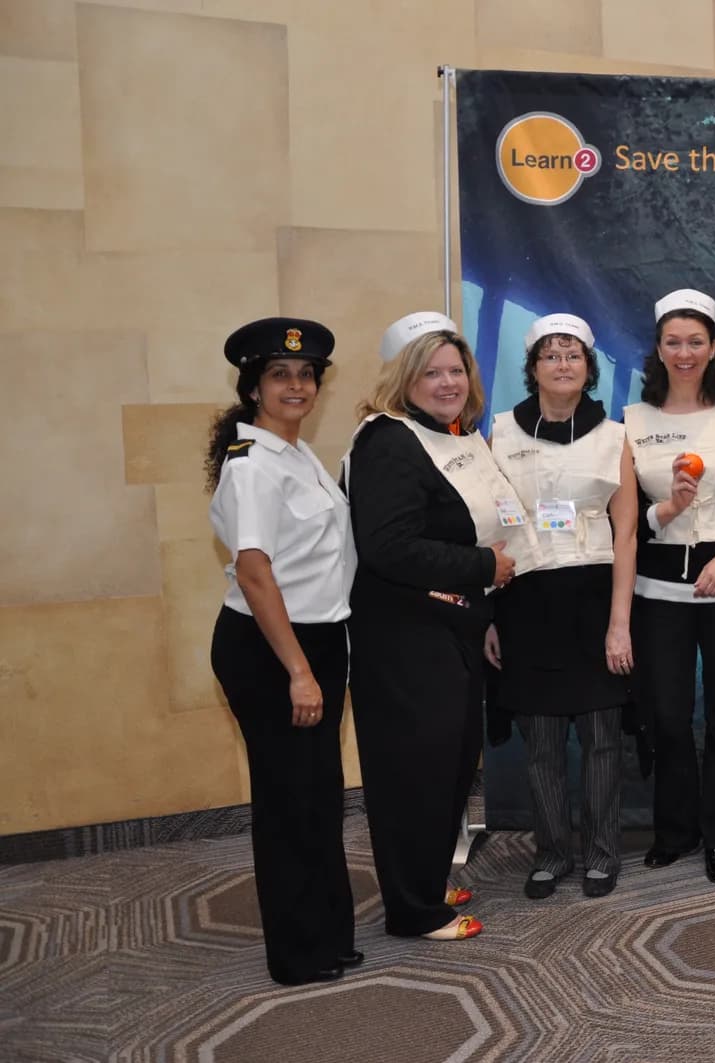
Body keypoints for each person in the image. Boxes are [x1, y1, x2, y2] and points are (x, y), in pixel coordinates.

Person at [344, 311, 538, 941]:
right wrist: (484, 567)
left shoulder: (456, 436)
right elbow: (388, 548)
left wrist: (486, 600)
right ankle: (414, 910)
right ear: (404, 379)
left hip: (453, 625)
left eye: (457, 370)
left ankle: (425, 879)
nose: (448, 382)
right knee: (414, 774)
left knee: (448, 765)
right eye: (431, 372)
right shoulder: (388, 442)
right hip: (404, 636)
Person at [206, 317, 358, 986]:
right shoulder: (251, 466)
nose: (295, 385)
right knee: (288, 799)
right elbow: (254, 573)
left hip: (316, 640)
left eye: (305, 375)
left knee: (318, 793)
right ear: (253, 387)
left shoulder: (295, 454)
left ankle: (327, 934)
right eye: (279, 374)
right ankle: (296, 954)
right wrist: (298, 669)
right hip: (273, 649)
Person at [487, 313, 637, 900]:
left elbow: (627, 534)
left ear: (588, 366)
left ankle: (601, 853)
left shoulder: (614, 435)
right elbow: (491, 528)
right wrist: (490, 615)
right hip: (525, 600)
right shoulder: (501, 432)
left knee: (602, 741)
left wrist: (620, 624)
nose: (562, 364)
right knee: (542, 745)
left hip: (594, 599)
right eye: (550, 355)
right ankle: (551, 853)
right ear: (532, 368)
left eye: (573, 354)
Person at [625, 290, 715, 884]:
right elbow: (623, 519)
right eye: (673, 342)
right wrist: (668, 510)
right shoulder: (633, 421)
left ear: (713, 347)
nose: (685, 353)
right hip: (658, 589)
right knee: (668, 715)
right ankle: (675, 830)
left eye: (695, 342)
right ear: (658, 349)